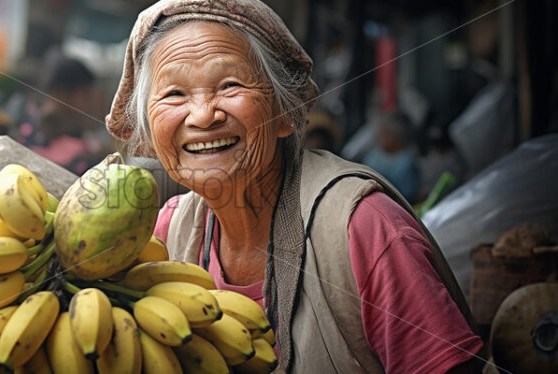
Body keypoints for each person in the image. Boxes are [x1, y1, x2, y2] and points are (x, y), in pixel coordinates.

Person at [104, 1, 484, 373]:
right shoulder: (166, 233)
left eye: (229, 84)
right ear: (151, 138)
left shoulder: (362, 227)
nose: (204, 115)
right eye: (174, 94)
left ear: (286, 114)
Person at [15, 54, 108, 174]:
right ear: (64, 93)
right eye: (85, 94)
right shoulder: (29, 130)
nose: (88, 102)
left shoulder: (28, 117)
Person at [362, 111, 420, 202]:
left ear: (396, 137)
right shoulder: (374, 154)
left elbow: (408, 195)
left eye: (384, 134)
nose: (379, 137)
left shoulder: (406, 162)